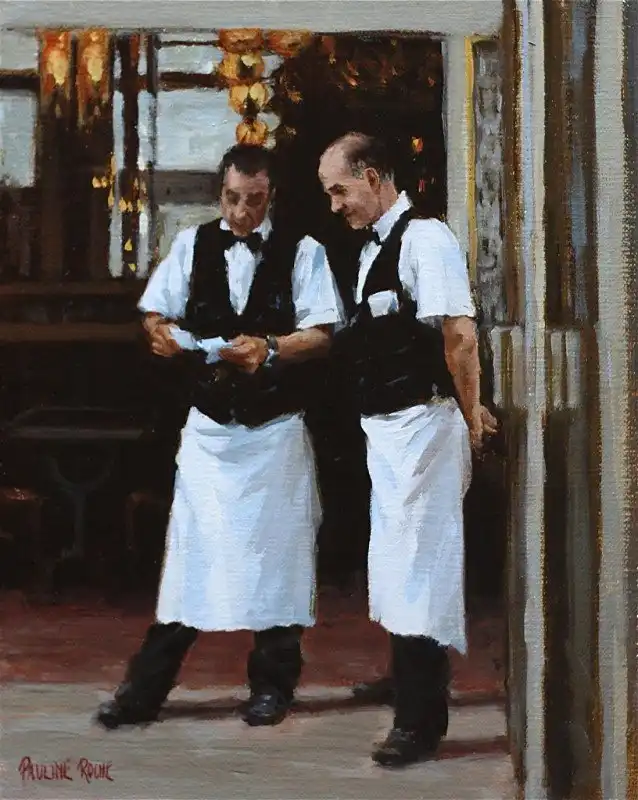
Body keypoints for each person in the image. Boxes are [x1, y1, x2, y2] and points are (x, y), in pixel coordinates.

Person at [96, 143, 342, 730]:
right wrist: (161, 333)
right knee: (191, 562)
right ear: (220, 193)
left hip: (275, 432)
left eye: (254, 201)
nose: (241, 213)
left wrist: (272, 347)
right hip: (209, 433)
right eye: (232, 199)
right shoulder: (191, 245)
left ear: (271, 197)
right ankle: (144, 692)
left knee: (278, 564)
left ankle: (272, 688)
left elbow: (323, 333)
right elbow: (155, 316)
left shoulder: (304, 251)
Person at [318, 132, 498, 767]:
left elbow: (459, 336)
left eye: (340, 190)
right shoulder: (373, 249)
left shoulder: (426, 238)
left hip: (426, 426)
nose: (335, 205)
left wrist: (472, 415)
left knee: (421, 571)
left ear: (373, 176)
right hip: (388, 433)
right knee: (396, 565)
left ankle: (420, 723)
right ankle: (406, 678)